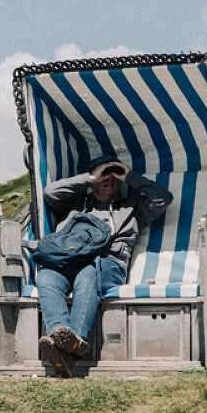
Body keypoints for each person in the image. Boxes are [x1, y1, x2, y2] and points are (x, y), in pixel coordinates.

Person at [36, 153, 173, 377]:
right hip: (67, 260)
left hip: (107, 263)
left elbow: (163, 198)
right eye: (103, 174)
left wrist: (129, 176)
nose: (109, 179)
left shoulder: (133, 208)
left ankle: (75, 339)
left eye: (114, 175)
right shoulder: (76, 203)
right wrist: (89, 179)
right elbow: (50, 193)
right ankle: (61, 338)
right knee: (46, 276)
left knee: (89, 272)